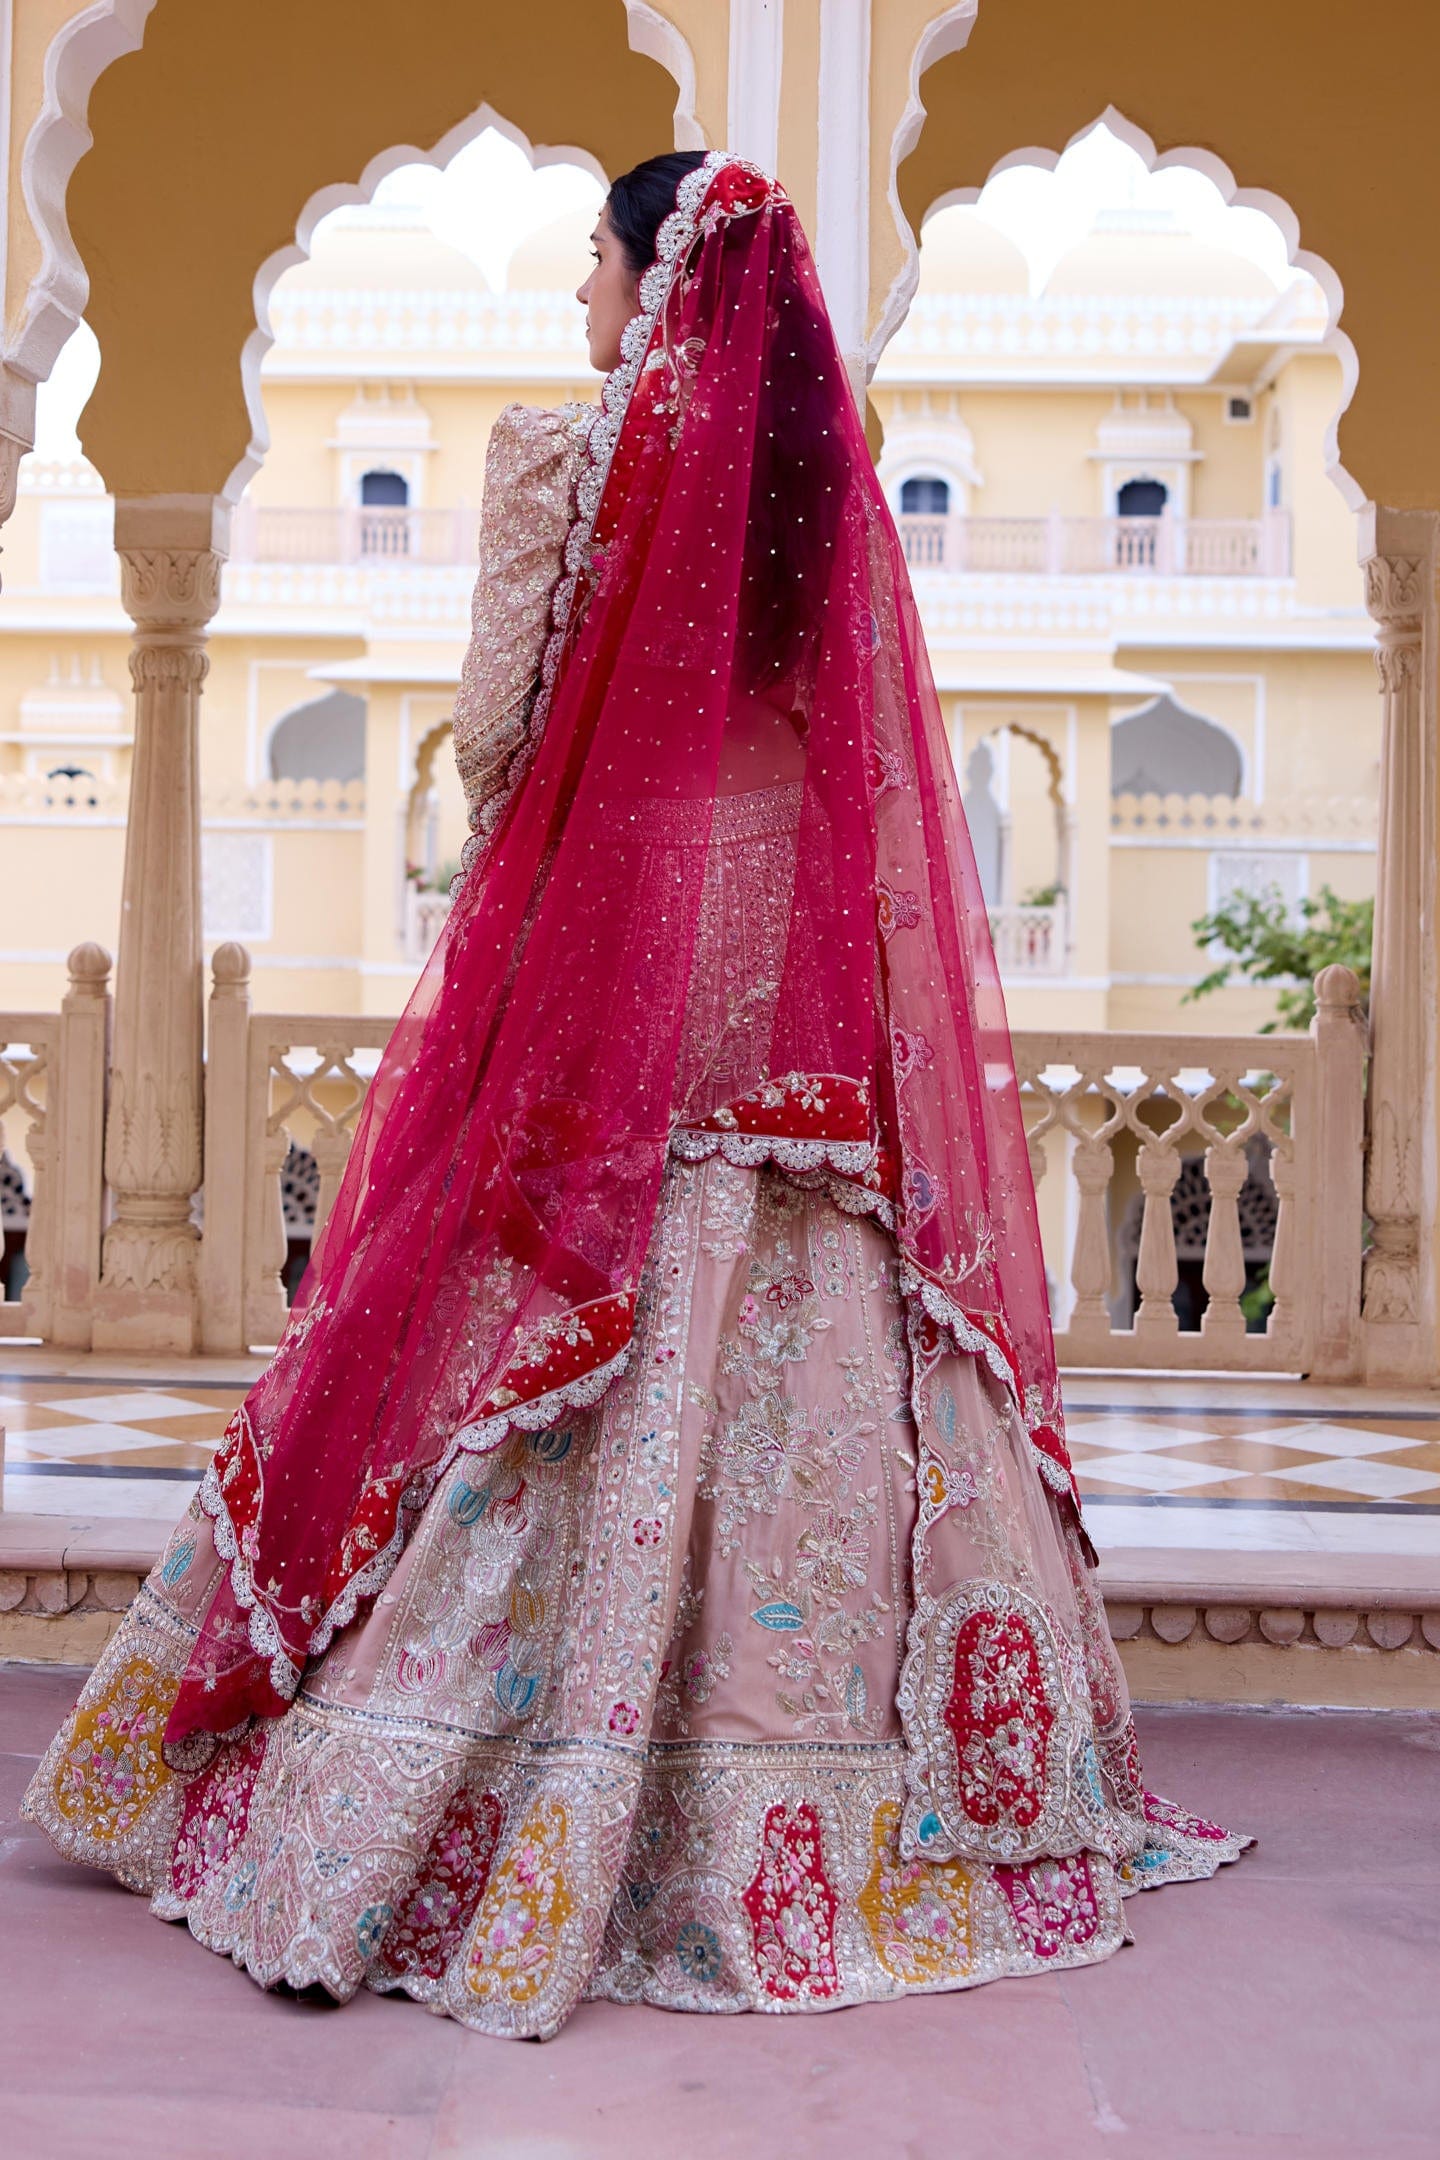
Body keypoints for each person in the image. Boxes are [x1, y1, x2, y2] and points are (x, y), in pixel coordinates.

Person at [24, 151, 1247, 2040]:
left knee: (543, 1300)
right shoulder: (819, 479)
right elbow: (866, 754)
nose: (578, 303)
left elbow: (508, 734)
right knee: (805, 1300)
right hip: (790, 963)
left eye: (589, 263)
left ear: (647, 270)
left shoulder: (567, 451)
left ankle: (466, 1786)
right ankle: (867, 1789)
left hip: (631, 933)